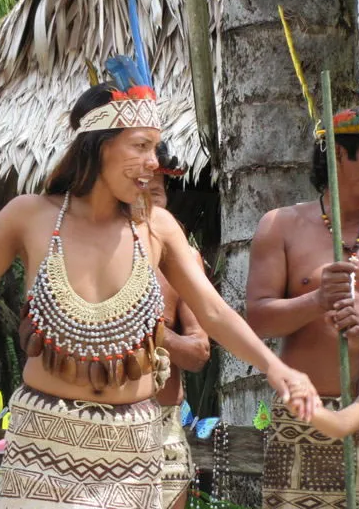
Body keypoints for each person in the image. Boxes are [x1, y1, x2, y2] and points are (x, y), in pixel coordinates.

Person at [0, 67, 319, 508]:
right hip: (45, 449)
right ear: (98, 146)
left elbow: (215, 314)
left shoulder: (158, 228)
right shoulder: (29, 217)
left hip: (133, 447)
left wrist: (276, 368)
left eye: (153, 147)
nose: (152, 161)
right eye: (139, 147)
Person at [247, 105, 359, 508]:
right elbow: (257, 321)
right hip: (303, 417)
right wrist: (316, 300)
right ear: (338, 155)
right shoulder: (281, 225)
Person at [148, 142, 210, 509]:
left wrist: (153, 331)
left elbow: (198, 353)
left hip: (163, 422)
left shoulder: (185, 259)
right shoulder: (79, 249)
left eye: (158, 188)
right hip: (96, 422)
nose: (151, 192)